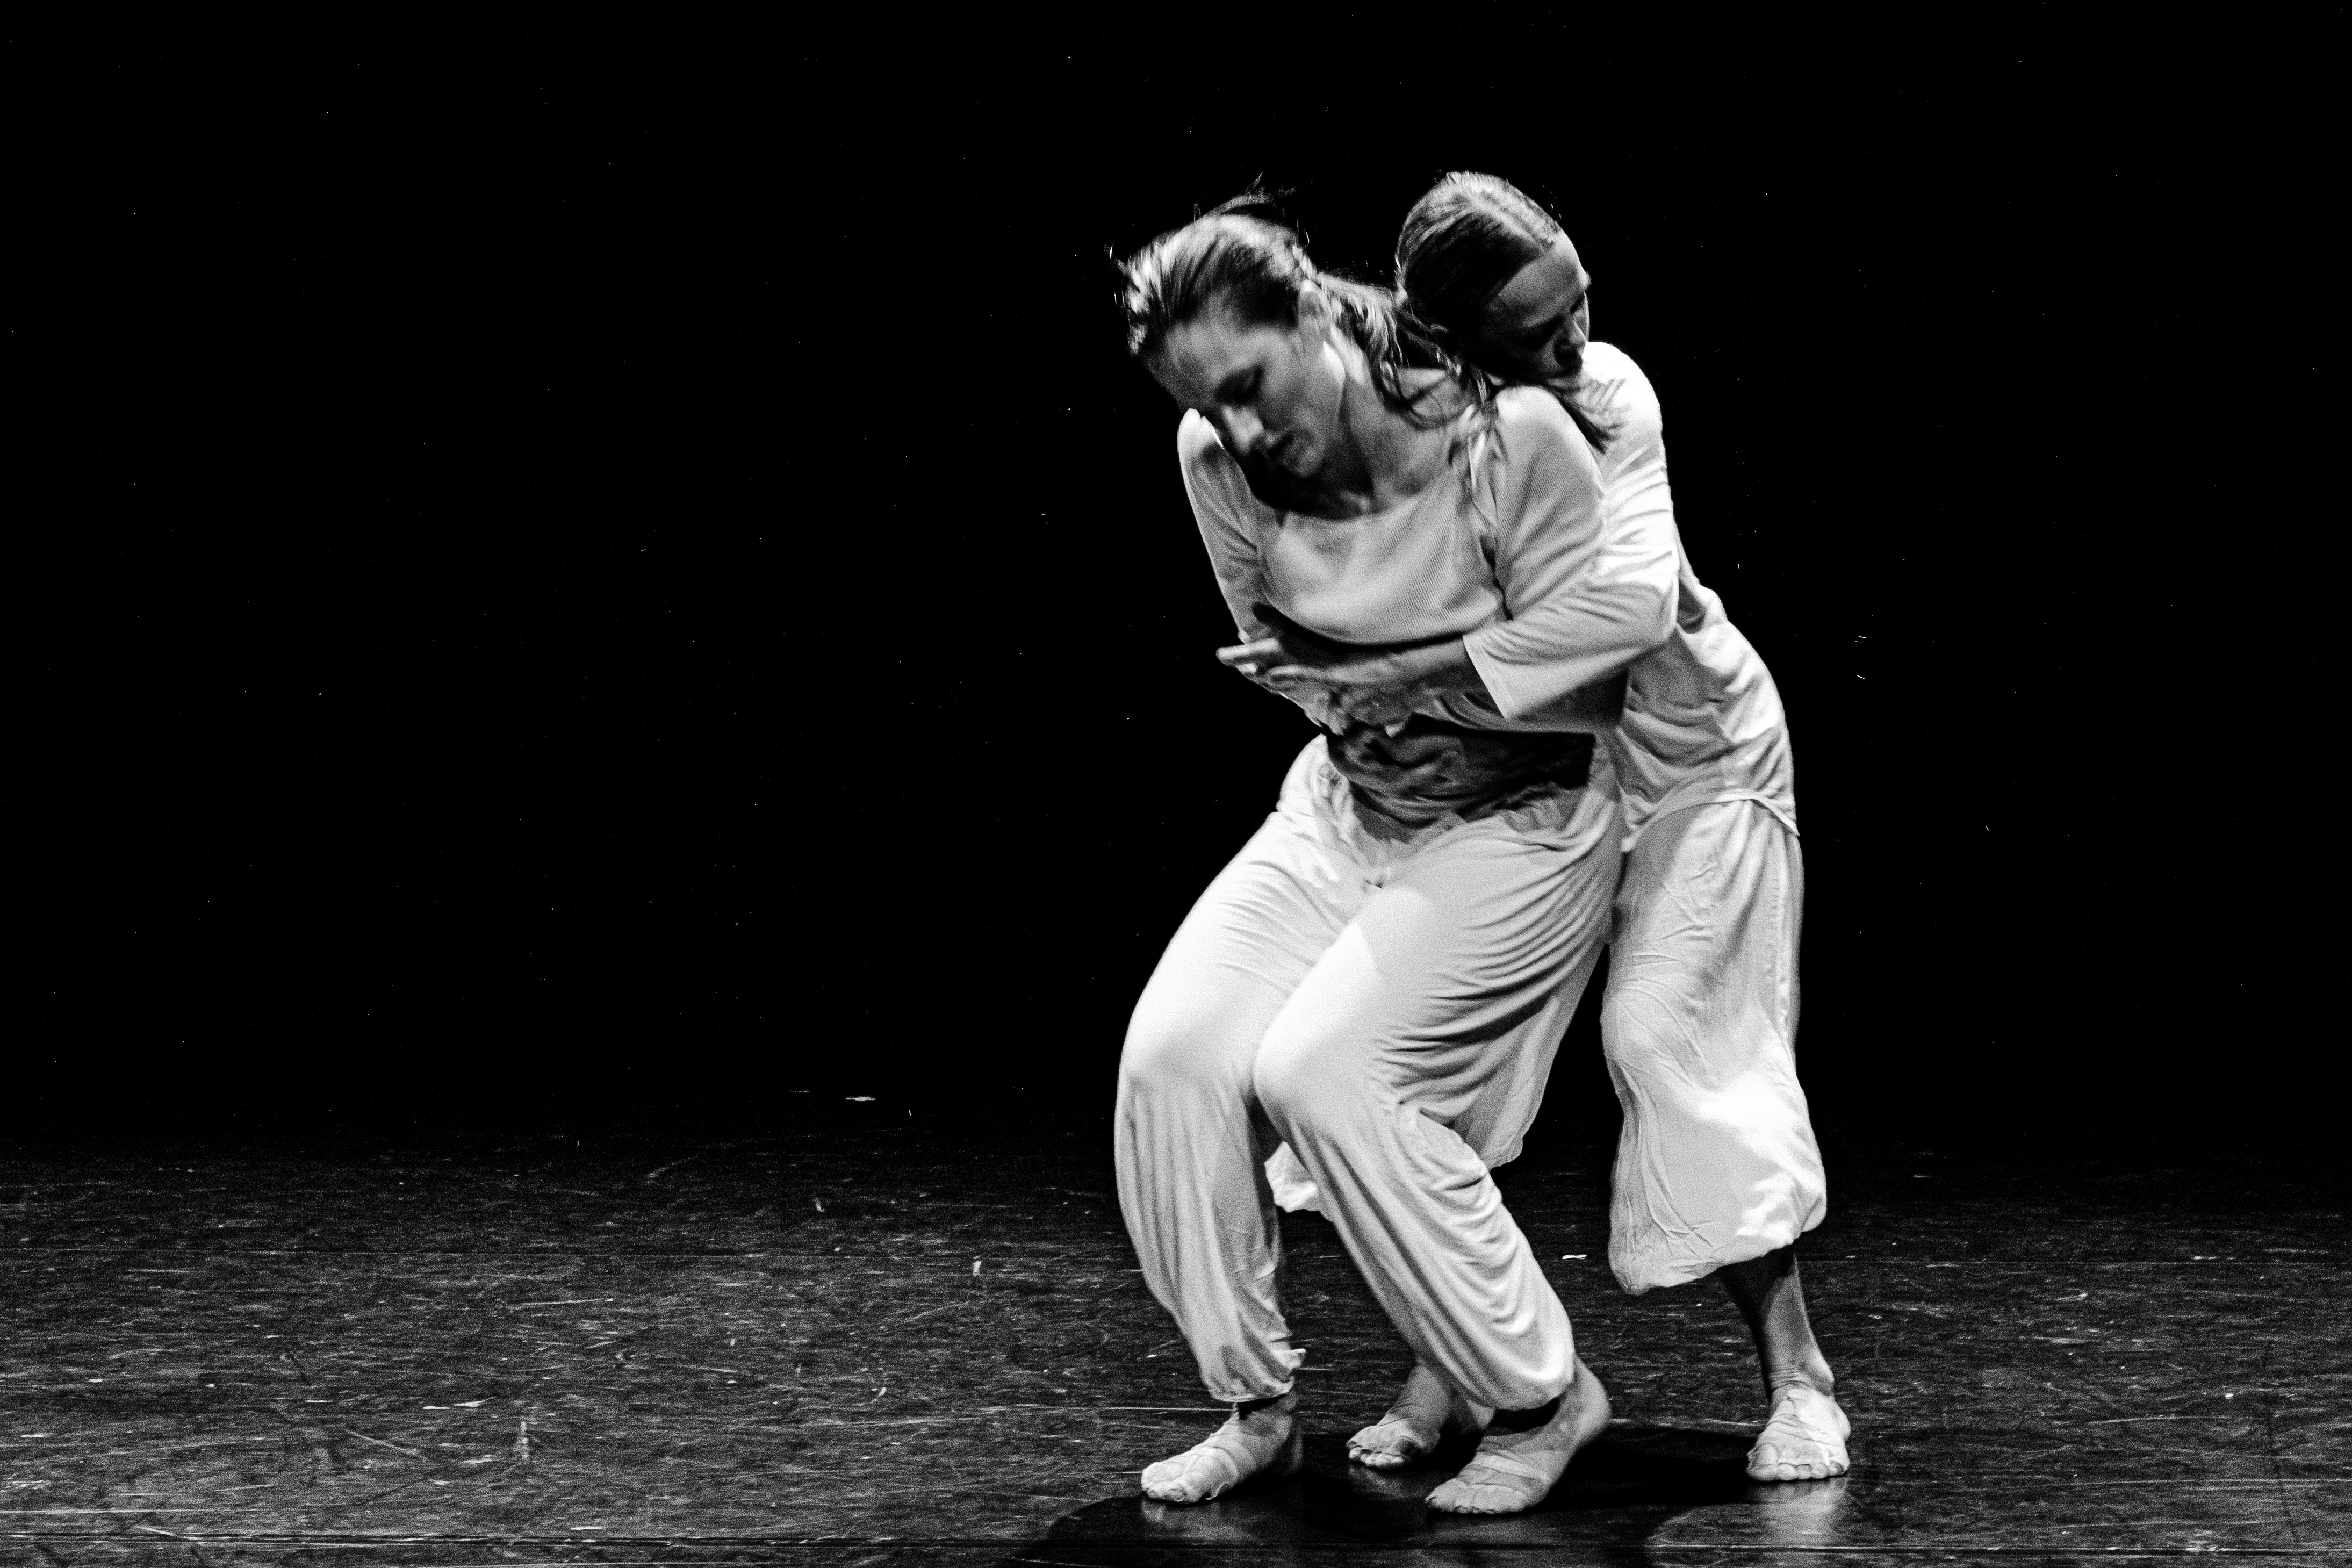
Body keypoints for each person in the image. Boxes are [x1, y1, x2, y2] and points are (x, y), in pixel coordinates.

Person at [1112, 207, 1667, 1515]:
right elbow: (1291, 668)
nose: (1238, 430)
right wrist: (1360, 700)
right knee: (1174, 1063)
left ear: (1311, 310)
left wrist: (1398, 684)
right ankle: (1258, 1405)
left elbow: (1594, 694)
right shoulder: (1214, 457)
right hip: (1344, 816)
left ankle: (1542, 1394)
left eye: (1247, 386)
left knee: (1323, 1071)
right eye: (1209, 405)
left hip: (1521, 825)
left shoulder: (1502, 436)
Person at [1364, 172, 1847, 1485]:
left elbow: (1629, 606)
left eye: (1579, 306)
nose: (1578, 343)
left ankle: (1800, 1380)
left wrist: (1414, 670)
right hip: (1532, 771)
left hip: (1694, 760)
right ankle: (1460, 1368)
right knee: (1440, 1056)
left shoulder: (1608, 399)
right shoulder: (1413, 423)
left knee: (1665, 1029)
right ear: (1459, 341)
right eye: (1539, 331)